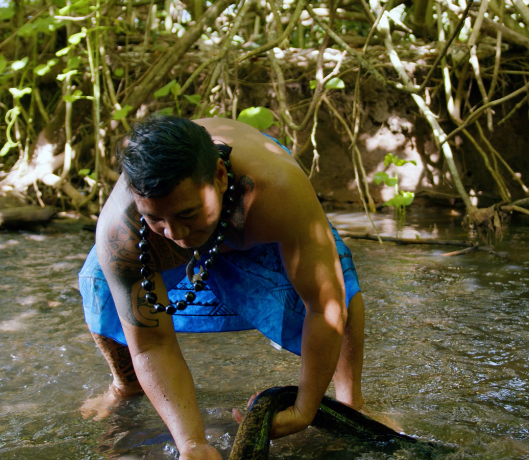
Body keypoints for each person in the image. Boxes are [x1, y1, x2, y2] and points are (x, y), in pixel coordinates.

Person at [78, 115, 365, 460]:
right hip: (151, 244)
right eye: (157, 219)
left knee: (341, 289)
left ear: (219, 176)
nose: (176, 234)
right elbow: (151, 344)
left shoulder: (278, 191)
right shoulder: (121, 233)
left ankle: (353, 405)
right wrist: (191, 443)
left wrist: (305, 408)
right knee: (100, 286)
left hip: (252, 215)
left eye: (187, 214)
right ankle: (125, 385)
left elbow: (325, 306)